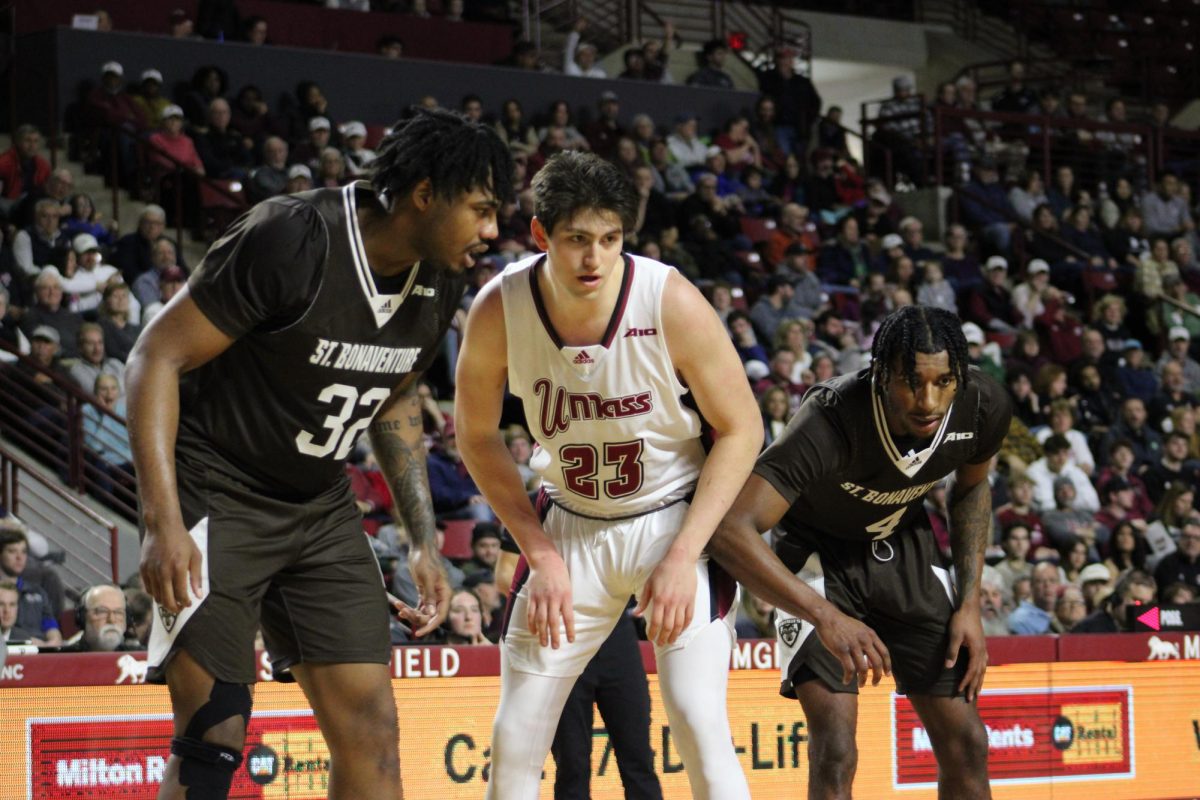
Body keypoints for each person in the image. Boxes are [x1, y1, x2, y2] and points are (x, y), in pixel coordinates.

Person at [126, 108, 513, 800]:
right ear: (425, 194)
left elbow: (394, 397)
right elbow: (155, 357)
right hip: (217, 485)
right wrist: (162, 524)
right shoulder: (292, 236)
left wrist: (422, 539)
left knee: (373, 732)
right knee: (213, 731)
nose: (492, 231)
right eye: (482, 210)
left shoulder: (442, 272)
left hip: (321, 504)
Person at [455, 151, 760, 800]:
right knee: (514, 738)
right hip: (570, 526)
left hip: (671, 520)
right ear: (540, 235)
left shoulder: (667, 297)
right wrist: (539, 556)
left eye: (610, 239)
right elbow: (475, 437)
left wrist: (685, 554)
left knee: (699, 721)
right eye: (577, 241)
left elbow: (744, 428)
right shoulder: (499, 306)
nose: (595, 258)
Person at [706, 305, 1011, 799]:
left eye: (943, 382)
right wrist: (825, 617)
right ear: (881, 375)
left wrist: (969, 602)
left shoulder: (982, 404)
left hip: (905, 551)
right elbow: (730, 530)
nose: (928, 400)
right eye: (911, 382)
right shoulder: (831, 419)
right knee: (836, 749)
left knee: (968, 741)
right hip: (816, 559)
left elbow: (972, 490)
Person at [60, 583, 140, 652]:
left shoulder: (141, 659)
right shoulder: (61, 659)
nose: (111, 620)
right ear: (82, 618)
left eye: (118, 612)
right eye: (102, 611)